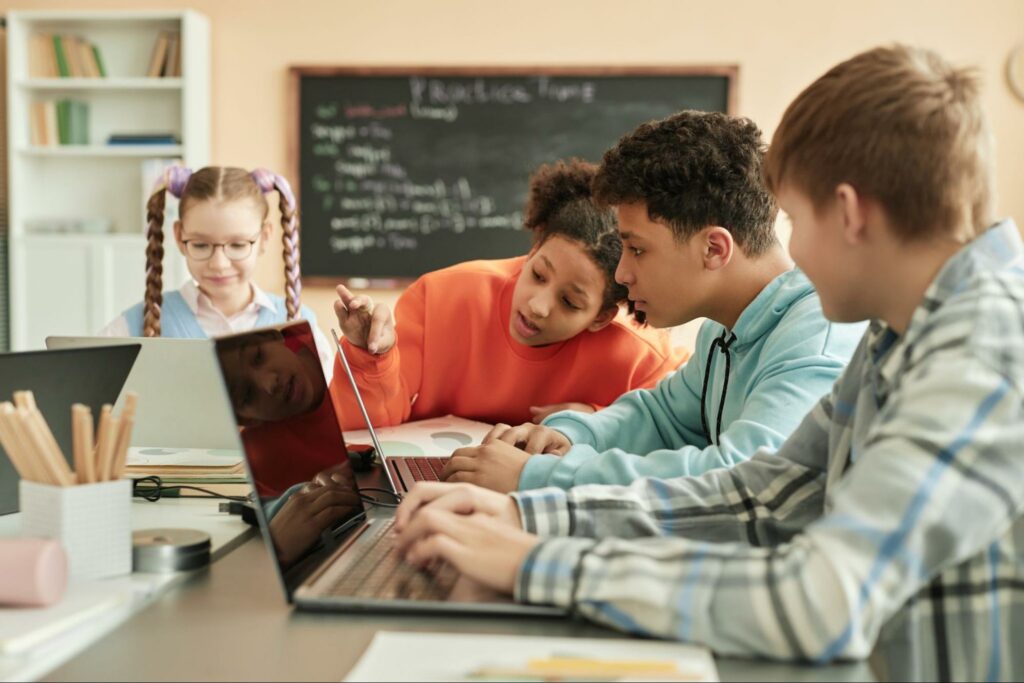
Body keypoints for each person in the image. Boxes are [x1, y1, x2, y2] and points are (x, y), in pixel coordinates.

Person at [392, 45, 1024, 678]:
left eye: (797, 220)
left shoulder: (983, 352)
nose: (793, 248)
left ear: (850, 214)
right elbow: (765, 498)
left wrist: (533, 563)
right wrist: (526, 515)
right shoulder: (903, 334)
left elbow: (822, 599)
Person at [445, 110, 863, 493]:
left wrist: (539, 476)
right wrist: (569, 435)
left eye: (638, 249)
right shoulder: (725, 329)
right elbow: (663, 417)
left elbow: (741, 477)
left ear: (714, 249)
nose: (622, 275)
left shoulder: (818, 335)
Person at [330, 159, 689, 430]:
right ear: (532, 251)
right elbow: (363, 430)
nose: (537, 305)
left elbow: (678, 431)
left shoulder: (643, 358)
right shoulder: (440, 296)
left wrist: (599, 420)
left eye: (570, 302)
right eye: (537, 274)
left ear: (600, 316)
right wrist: (369, 356)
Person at [100, 165, 332, 374]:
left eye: (238, 245)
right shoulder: (132, 327)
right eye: (201, 245)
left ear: (264, 238)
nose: (219, 264)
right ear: (180, 237)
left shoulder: (302, 326)